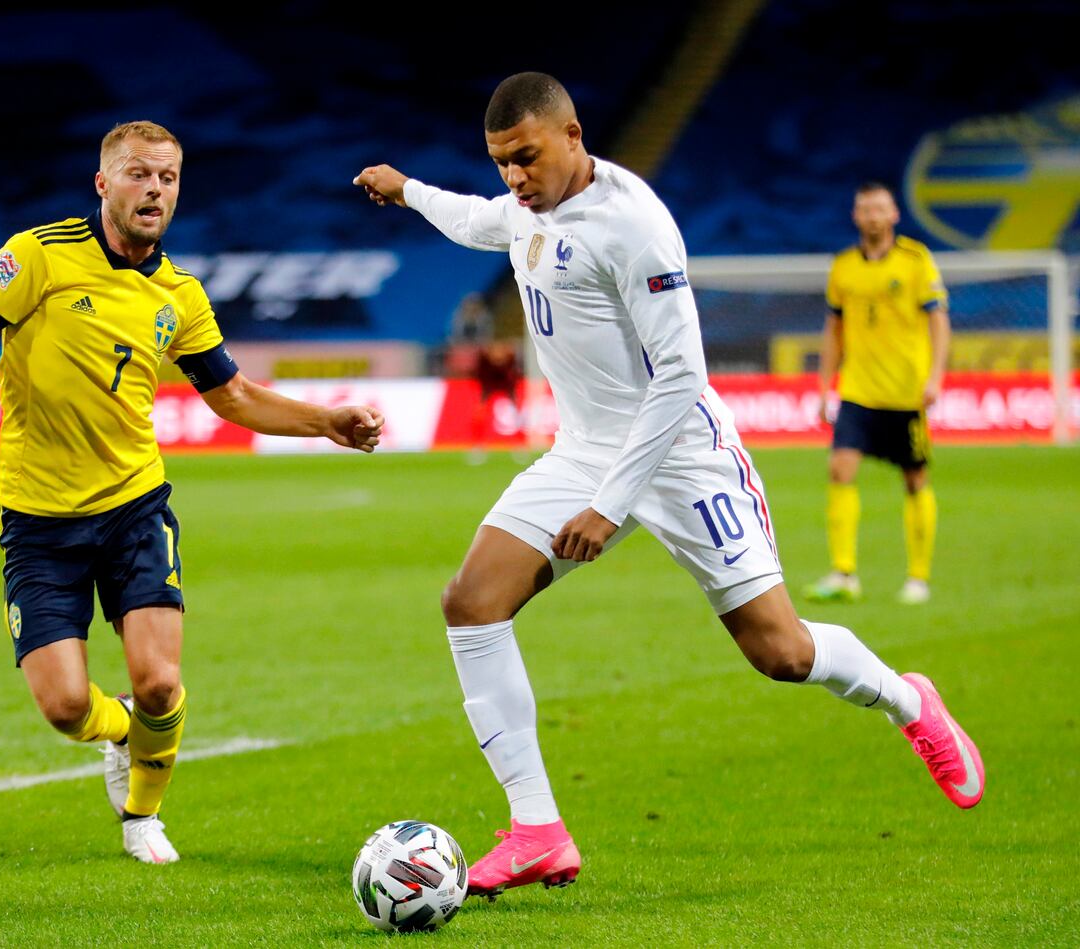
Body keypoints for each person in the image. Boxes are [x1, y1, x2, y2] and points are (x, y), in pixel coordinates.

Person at [354, 74, 982, 901]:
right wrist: (406, 189)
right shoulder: (525, 208)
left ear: (573, 134)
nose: (514, 177)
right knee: (471, 603)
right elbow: (479, 219)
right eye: (502, 162)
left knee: (782, 652)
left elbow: (682, 374)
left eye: (526, 158)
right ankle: (538, 829)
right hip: (583, 453)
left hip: (683, 454)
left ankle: (909, 701)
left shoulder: (634, 225)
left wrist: (609, 505)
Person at [0, 121, 383, 864]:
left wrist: (325, 421)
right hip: (39, 519)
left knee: (161, 684)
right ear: (103, 183)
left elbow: (232, 395)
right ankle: (119, 731)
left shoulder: (179, 294)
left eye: (168, 178)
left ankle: (141, 815)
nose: (155, 190)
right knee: (65, 707)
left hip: (134, 508)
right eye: (139, 174)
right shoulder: (39, 255)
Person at [804, 182, 950, 606]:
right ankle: (844, 573)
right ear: (856, 216)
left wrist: (936, 376)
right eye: (865, 209)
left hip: (906, 393)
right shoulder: (843, 267)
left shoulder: (916, 260)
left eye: (879, 208)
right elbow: (834, 330)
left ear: (894, 215)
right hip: (859, 390)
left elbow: (939, 320)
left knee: (915, 479)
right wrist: (824, 387)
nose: (872, 216)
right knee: (840, 469)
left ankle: (918, 578)